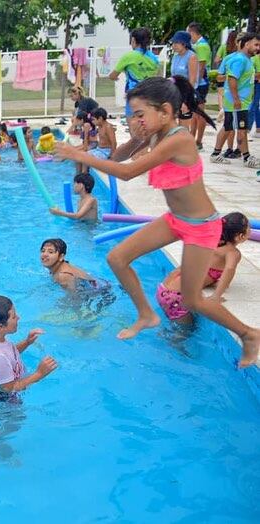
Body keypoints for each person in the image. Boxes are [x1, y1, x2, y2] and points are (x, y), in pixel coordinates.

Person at [55, 76, 259, 367]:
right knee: (117, 258)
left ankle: (249, 333)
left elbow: (126, 173)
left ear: (164, 111)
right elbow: (118, 156)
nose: (136, 120)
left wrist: (77, 154)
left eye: (140, 114)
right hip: (176, 219)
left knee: (192, 301)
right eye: (133, 115)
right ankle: (146, 315)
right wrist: (137, 135)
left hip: (202, 227)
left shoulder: (179, 139)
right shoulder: (155, 136)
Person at [156, 212, 251, 324]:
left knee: (173, 325)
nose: (251, 230)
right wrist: (216, 297)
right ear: (241, 236)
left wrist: (210, 282)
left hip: (164, 289)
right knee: (185, 332)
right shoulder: (233, 253)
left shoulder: (211, 243)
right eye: (249, 227)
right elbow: (229, 270)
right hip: (176, 296)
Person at [0, 295, 57, 398]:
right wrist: (39, 374)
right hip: (7, 403)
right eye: (13, 316)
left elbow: (9, 352)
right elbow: (9, 389)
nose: (18, 317)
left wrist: (27, 342)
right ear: (0, 327)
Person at [210, 33, 260, 168]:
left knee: (230, 127)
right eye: (256, 45)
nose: (258, 48)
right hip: (236, 103)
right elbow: (232, 79)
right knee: (239, 129)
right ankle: (246, 157)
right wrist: (236, 99)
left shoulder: (247, 59)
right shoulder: (240, 60)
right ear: (246, 43)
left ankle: (217, 154)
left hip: (241, 102)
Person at [110, 27, 159, 127]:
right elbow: (156, 75)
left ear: (133, 40)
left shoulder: (129, 56)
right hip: (150, 95)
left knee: (133, 126)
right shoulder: (154, 58)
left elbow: (112, 75)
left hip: (133, 94)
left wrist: (116, 78)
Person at [39, 238, 106, 291]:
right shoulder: (55, 268)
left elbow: (75, 300)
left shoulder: (64, 276)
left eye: (50, 252)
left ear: (61, 257)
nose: (44, 254)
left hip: (101, 291)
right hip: (98, 283)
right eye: (43, 251)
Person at [187, 22, 213, 148]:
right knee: (194, 113)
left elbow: (201, 67)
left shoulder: (202, 46)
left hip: (201, 84)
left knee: (200, 113)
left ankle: (199, 141)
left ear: (192, 32)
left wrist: (195, 84)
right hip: (198, 83)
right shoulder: (198, 45)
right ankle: (192, 138)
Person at [169, 31, 199, 131]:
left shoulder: (191, 57)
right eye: (173, 43)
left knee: (183, 126)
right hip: (175, 93)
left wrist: (186, 101)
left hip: (186, 94)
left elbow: (192, 80)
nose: (174, 46)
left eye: (176, 43)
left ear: (184, 43)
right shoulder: (175, 57)